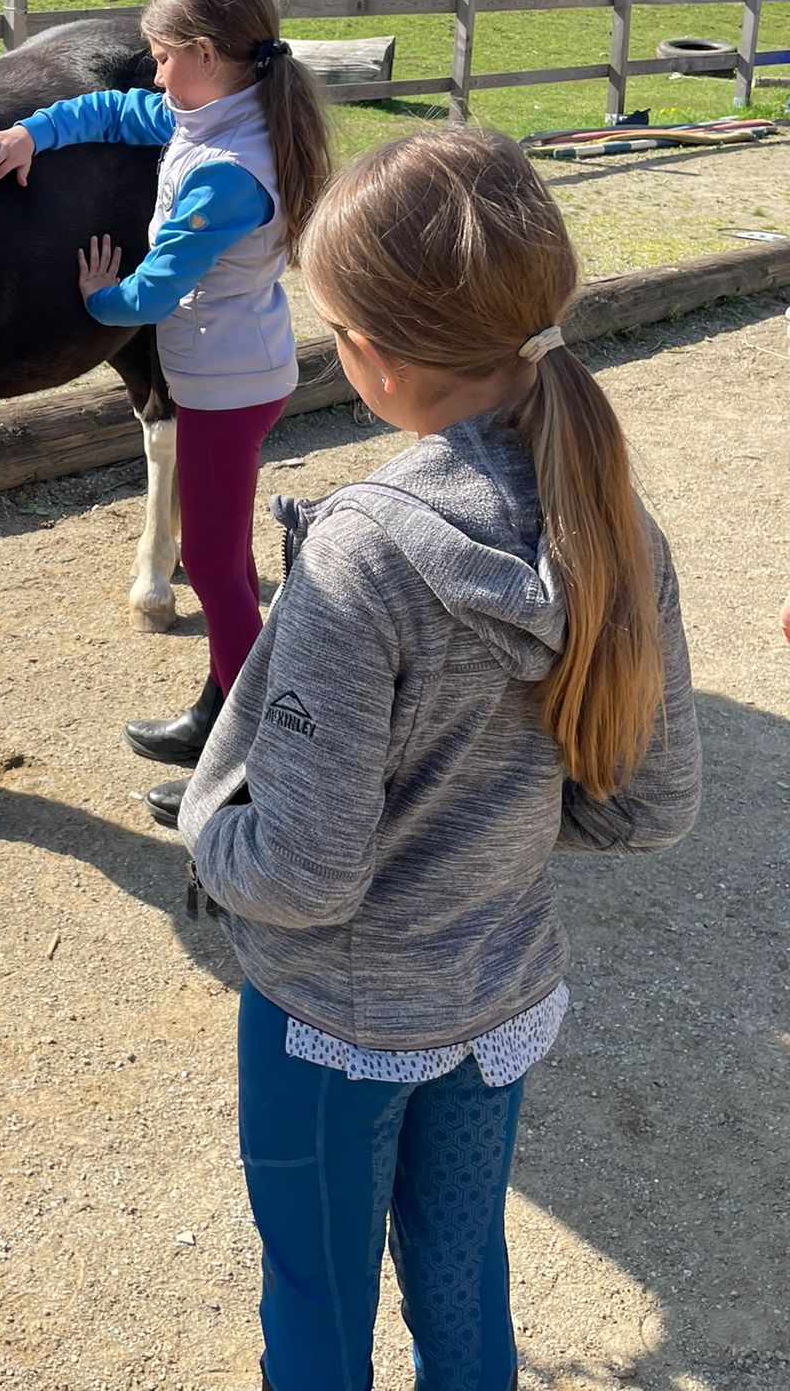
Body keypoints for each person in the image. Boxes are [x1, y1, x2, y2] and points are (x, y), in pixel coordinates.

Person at [179, 126, 702, 1391]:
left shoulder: (364, 555)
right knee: (464, 1285)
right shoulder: (616, 520)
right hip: (499, 1008)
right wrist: (501, 829)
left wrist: (206, 832)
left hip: (327, 1027)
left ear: (379, 358)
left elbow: (301, 875)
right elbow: (653, 802)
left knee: (317, 1304)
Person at [0, 0, 331, 825]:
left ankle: (252, 764)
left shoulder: (226, 171)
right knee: (225, 557)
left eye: (164, 56)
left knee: (209, 564)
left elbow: (156, 291)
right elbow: (117, 108)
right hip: (229, 370)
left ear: (205, 54)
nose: (155, 72)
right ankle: (223, 705)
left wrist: (100, 299)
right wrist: (33, 133)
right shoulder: (215, 112)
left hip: (223, 384)